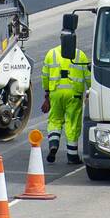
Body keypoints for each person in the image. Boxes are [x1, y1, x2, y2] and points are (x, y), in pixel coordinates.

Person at [41, 18, 91, 163]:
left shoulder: (51, 54)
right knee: (72, 123)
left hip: (55, 93)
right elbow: (87, 76)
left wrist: (47, 94)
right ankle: (72, 155)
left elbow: (45, 75)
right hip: (74, 96)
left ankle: (53, 144)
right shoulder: (79, 55)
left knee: (55, 120)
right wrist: (90, 91)